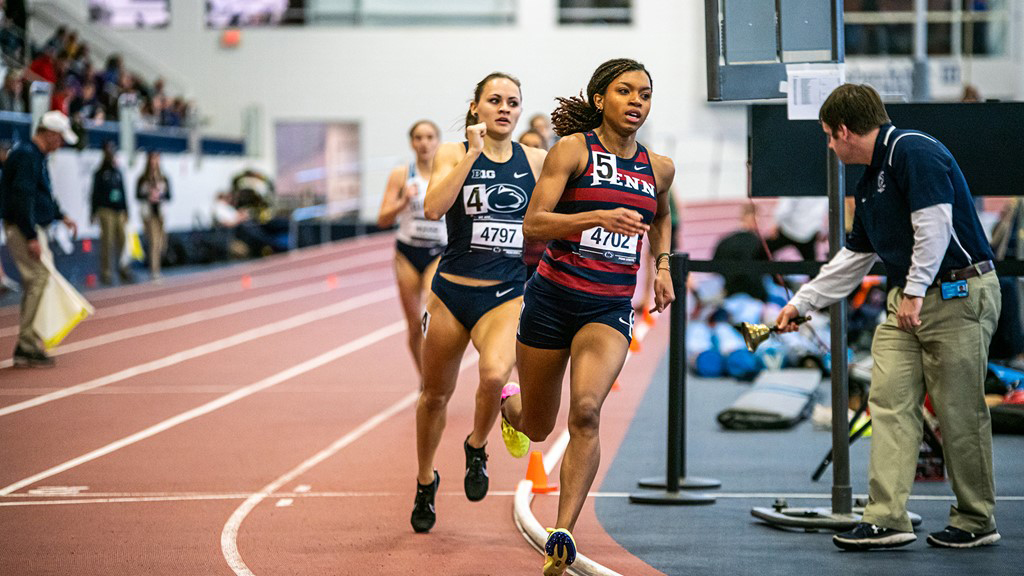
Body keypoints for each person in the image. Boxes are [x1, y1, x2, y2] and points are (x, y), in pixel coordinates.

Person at [776, 83, 1001, 551]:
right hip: (910, 300)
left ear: (842, 130)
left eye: (828, 136)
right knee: (889, 402)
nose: (829, 146)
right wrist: (803, 303)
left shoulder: (912, 150)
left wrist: (915, 291)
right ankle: (887, 516)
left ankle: (977, 519)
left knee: (959, 412)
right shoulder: (870, 181)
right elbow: (854, 258)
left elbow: (934, 226)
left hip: (958, 293)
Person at [500, 58, 676, 575]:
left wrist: (660, 266)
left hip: (607, 308)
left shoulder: (658, 167)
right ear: (601, 99)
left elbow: (661, 216)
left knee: (586, 413)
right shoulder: (574, 150)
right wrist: (597, 216)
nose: (637, 101)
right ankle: (510, 407)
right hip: (552, 301)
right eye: (625, 91)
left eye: (645, 93)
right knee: (537, 425)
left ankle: (563, 534)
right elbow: (533, 223)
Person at [410, 72, 546, 534]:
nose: (504, 108)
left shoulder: (537, 161)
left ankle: (477, 446)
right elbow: (432, 209)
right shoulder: (452, 153)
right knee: (434, 396)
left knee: (493, 376)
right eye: (494, 100)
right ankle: (426, 480)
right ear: (476, 108)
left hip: (505, 294)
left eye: (513, 101)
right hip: (451, 292)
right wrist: (472, 153)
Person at [0, 111, 78, 367]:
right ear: (51, 134)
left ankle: (30, 340)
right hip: (24, 229)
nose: (61, 144)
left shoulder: (34, 156)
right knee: (39, 279)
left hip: (29, 227)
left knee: (38, 280)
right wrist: (31, 235)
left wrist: (61, 215)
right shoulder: (26, 156)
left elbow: (41, 194)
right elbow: (22, 198)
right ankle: (27, 343)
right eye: (60, 138)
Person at [377, 120, 446, 375]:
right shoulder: (402, 174)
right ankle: (424, 379)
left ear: (437, 141)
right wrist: (403, 201)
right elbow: (383, 219)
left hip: (438, 251)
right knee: (414, 325)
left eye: (429, 137)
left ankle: (433, 375)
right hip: (407, 251)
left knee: (429, 315)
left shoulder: (447, 172)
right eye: (418, 138)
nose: (424, 143)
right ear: (411, 142)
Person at [91, 140, 131, 284]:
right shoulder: (100, 173)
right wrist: (93, 212)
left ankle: (123, 269)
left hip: (119, 211)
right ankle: (106, 272)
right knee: (107, 243)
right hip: (105, 210)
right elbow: (94, 193)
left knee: (122, 241)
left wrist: (127, 210)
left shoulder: (118, 172)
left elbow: (123, 191)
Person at [136, 151, 171, 280]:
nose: (154, 162)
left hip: (160, 213)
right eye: (152, 159)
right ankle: (154, 270)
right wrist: (148, 195)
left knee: (162, 243)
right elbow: (137, 195)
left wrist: (160, 195)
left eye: (156, 159)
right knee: (154, 242)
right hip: (149, 214)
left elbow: (170, 195)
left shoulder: (163, 178)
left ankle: (157, 266)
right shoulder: (142, 179)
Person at [766, 196, 827, 261]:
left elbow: (785, 207)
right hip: (802, 232)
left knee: (763, 252)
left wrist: (775, 223)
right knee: (811, 262)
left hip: (793, 231)